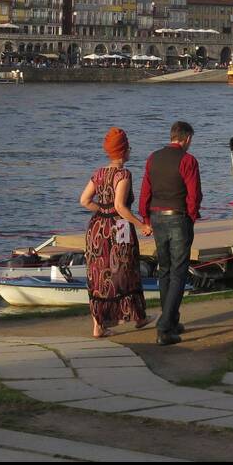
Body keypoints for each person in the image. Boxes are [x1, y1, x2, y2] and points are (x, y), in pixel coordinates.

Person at [78, 126, 152, 338]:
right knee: (125, 270)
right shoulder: (123, 174)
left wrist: (102, 209)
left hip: (96, 228)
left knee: (98, 274)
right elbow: (120, 207)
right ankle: (138, 317)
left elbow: (84, 201)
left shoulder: (98, 173)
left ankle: (98, 326)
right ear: (124, 150)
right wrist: (142, 225)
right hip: (118, 227)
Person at [139, 120, 202, 346]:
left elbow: (145, 191)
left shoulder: (152, 158)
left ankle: (172, 320)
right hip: (178, 216)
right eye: (190, 140)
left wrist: (145, 218)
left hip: (156, 217)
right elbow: (194, 194)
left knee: (164, 270)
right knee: (179, 271)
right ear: (186, 139)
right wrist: (191, 217)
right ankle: (164, 327)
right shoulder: (188, 160)